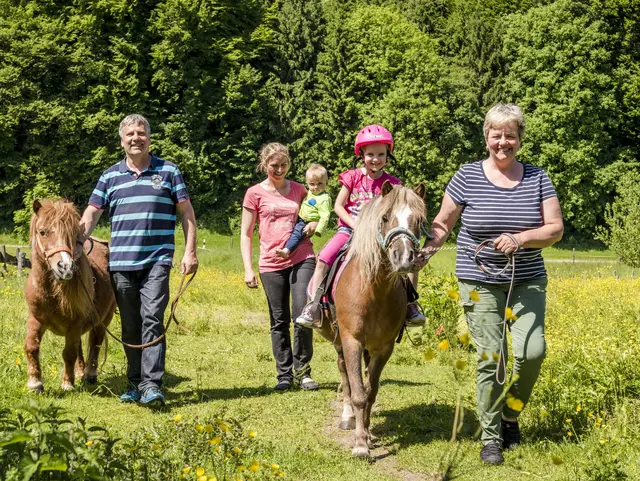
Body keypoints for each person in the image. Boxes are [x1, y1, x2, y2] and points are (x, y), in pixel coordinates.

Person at [421, 103, 563, 464]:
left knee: (531, 353)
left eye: (510, 135)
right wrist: (423, 253)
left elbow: (555, 228)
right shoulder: (467, 175)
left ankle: (509, 415)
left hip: (526, 277)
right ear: (486, 137)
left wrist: (521, 238)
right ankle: (490, 438)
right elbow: (443, 222)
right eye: (496, 135)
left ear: (520, 138)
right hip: (477, 278)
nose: (503, 142)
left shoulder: (538, 177)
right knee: (492, 357)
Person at [79, 114, 198, 407]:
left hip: (157, 260)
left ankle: (151, 384)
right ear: (122, 140)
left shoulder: (169, 171)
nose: (136, 138)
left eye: (141, 133)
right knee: (130, 325)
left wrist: (190, 251)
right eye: (130, 134)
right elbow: (92, 213)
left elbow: (187, 214)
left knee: (152, 319)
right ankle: (134, 383)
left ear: (149, 138)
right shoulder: (110, 176)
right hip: (120, 263)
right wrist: (76, 240)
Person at [295, 124, 425, 328]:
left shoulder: (392, 183)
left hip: (379, 236)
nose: (376, 159)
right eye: (370, 153)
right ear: (361, 153)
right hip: (349, 230)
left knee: (409, 260)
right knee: (324, 258)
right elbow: (338, 206)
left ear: (387, 155)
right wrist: (355, 225)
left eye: (381, 154)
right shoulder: (352, 177)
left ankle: (410, 304)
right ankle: (313, 305)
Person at [240, 142, 319, 392]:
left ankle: (303, 372)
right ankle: (284, 374)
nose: (280, 169)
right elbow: (245, 233)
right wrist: (248, 268)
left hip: (301, 256)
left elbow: (315, 213)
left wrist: (314, 225)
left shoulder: (299, 190)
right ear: (264, 165)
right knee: (279, 320)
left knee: (302, 316)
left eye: (284, 165)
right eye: (274, 165)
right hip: (270, 263)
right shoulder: (254, 193)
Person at [276, 164, 332, 259]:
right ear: (307, 182)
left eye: (320, 183)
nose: (315, 187)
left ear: (326, 182)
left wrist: (318, 230)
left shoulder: (324, 199)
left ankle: (286, 250)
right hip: (300, 218)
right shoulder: (310, 192)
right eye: (312, 184)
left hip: (307, 222)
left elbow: (325, 216)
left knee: (297, 234)